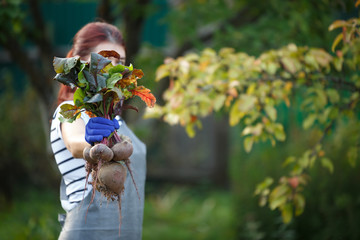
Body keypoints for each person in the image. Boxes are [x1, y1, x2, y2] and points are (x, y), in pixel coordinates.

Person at [49, 22, 146, 240]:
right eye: (104, 60)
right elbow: (75, 144)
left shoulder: (115, 119)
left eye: (119, 62)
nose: (114, 69)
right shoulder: (70, 111)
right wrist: (92, 144)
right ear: (81, 63)